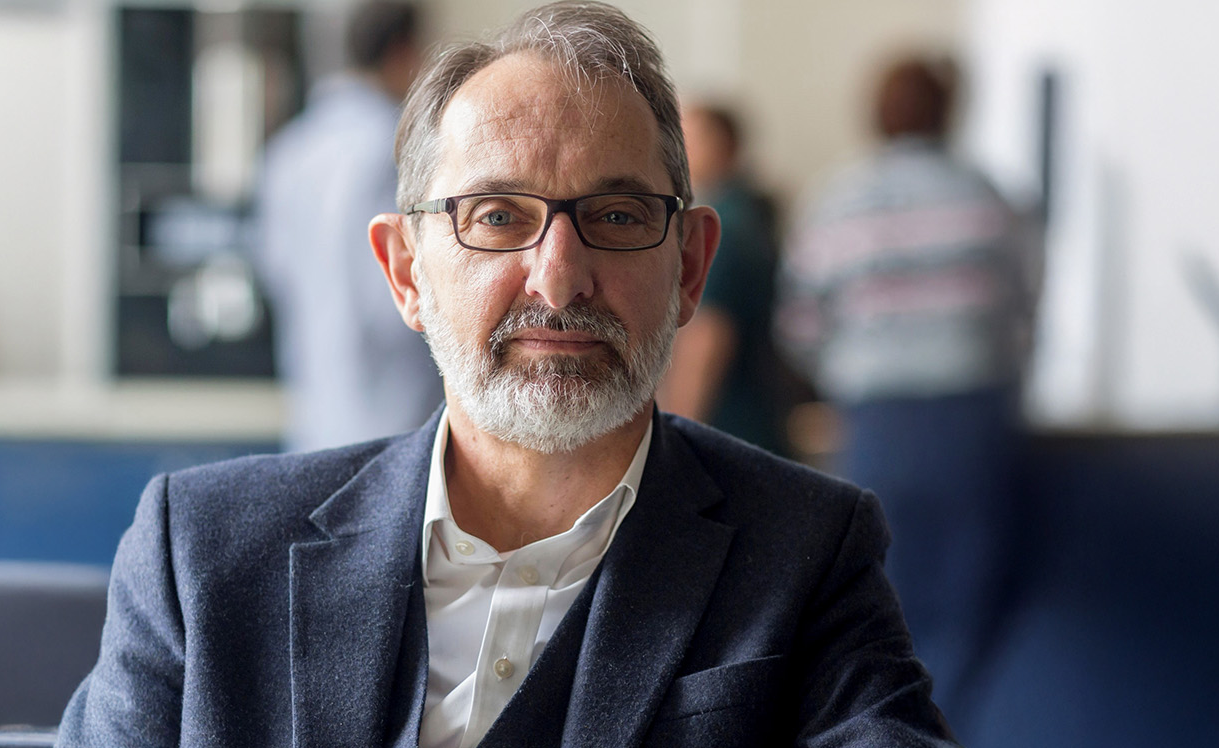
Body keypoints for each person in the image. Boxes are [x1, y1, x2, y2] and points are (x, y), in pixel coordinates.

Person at [59, 4, 956, 746]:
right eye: (496, 215)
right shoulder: (204, 557)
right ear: (405, 272)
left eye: (616, 214)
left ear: (688, 267)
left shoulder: (806, 554)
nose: (558, 279)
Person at [778, 55, 1038, 730]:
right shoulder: (987, 196)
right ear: (950, 112)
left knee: (873, 591)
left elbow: (799, 327)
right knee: (966, 597)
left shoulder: (841, 200)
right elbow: (1022, 310)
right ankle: (953, 728)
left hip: (878, 419)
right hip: (971, 417)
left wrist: (849, 366)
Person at [251, 1, 443, 452]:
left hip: (315, 416)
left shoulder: (288, 151)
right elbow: (406, 290)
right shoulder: (397, 146)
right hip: (398, 413)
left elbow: (274, 272)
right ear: (404, 52)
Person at [659, 103, 793, 456]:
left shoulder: (725, 228)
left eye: (692, 138)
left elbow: (707, 339)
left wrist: (673, 440)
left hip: (725, 426)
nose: (680, 150)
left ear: (724, 145)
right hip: (757, 418)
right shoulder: (753, 214)